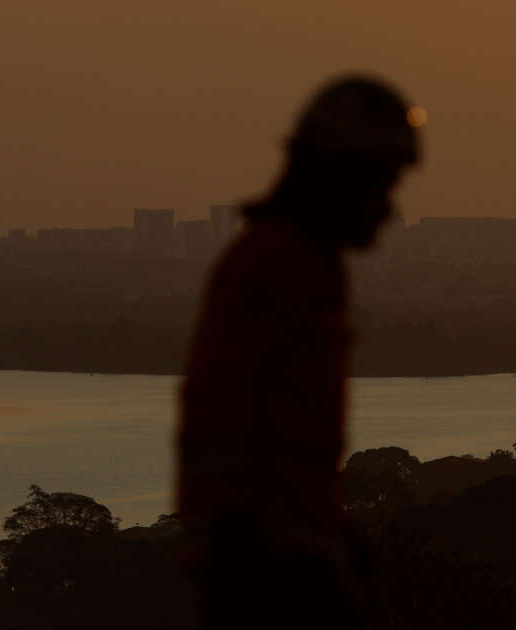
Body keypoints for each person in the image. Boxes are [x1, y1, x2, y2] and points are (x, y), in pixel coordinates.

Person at [177, 75, 422, 628]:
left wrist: (331, 527)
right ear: (341, 181)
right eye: (381, 186)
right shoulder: (278, 266)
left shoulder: (305, 264)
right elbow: (225, 424)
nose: (388, 209)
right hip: (265, 571)